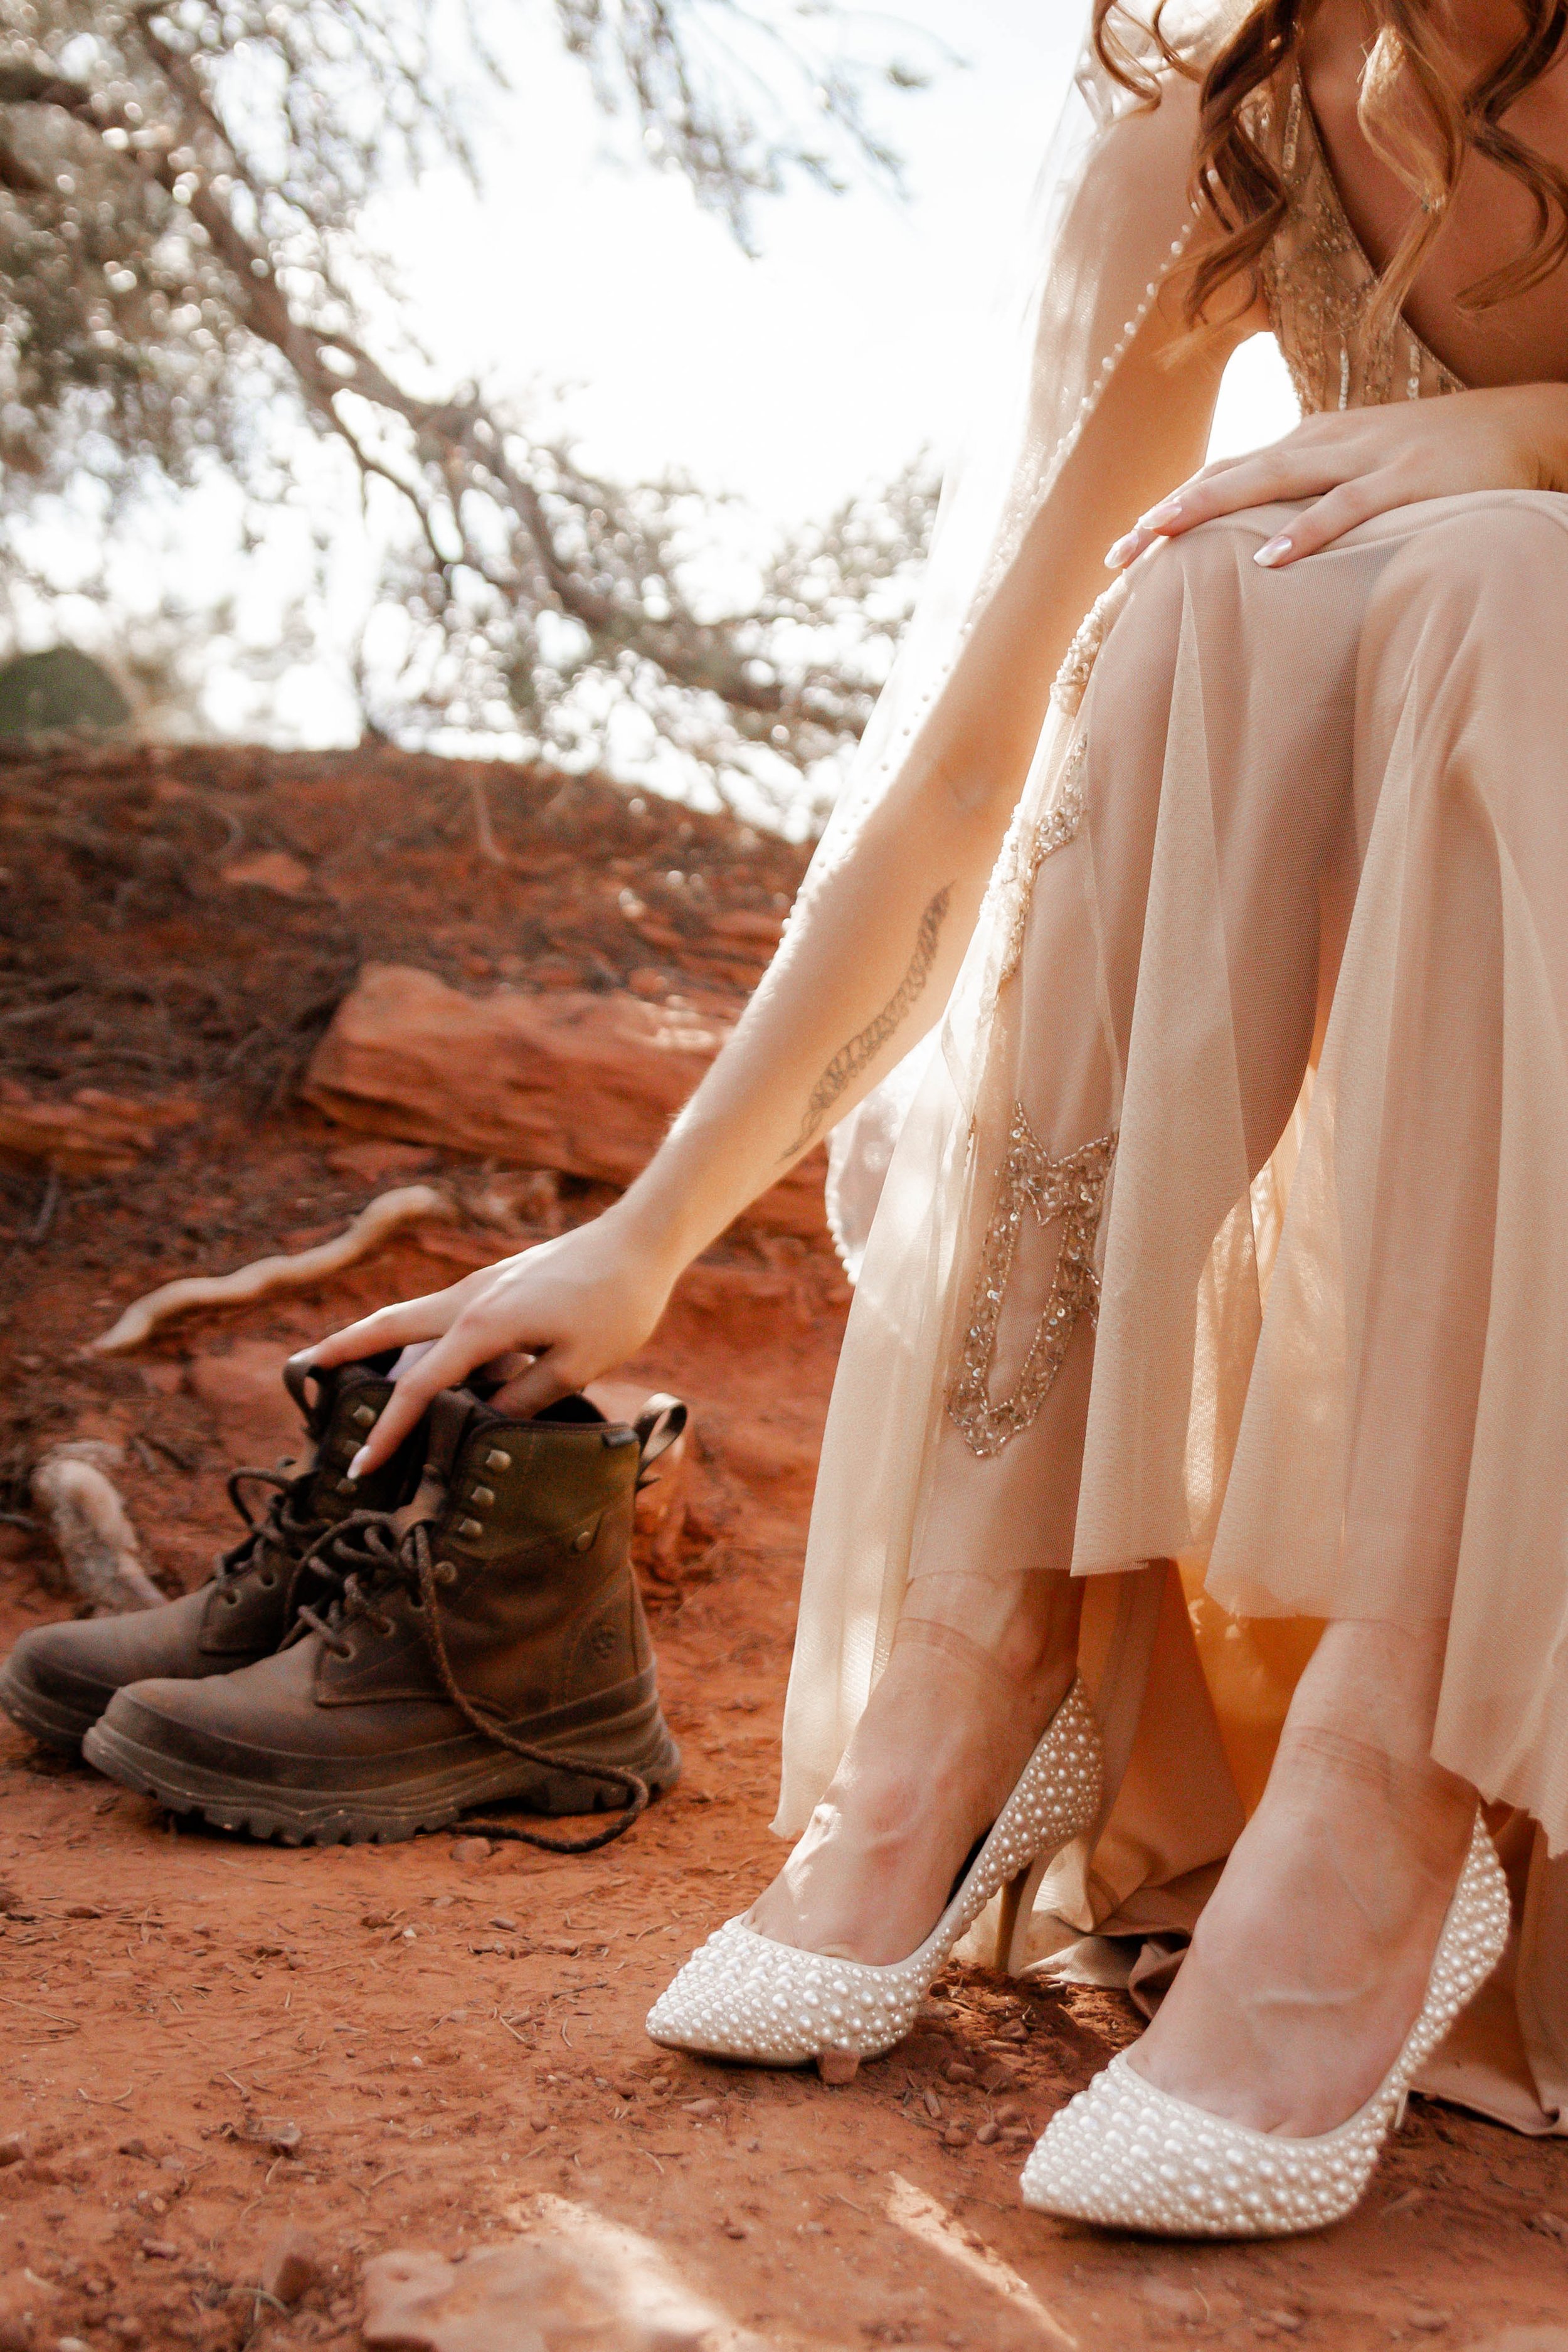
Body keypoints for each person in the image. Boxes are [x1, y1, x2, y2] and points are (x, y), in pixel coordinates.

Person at [296, 0, 1568, 2236]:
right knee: (1187, 592)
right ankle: (986, 1651)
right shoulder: (1231, 120)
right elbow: (978, 757)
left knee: (1488, 581)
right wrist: (656, 1231)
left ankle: (1396, 1777)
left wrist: (1535, 440)